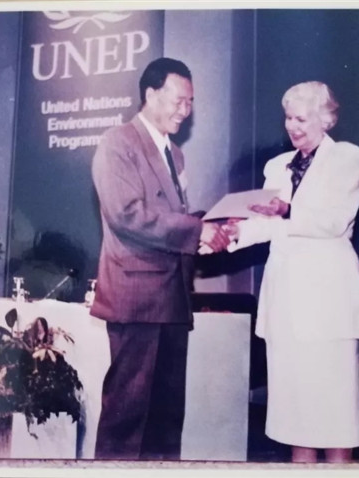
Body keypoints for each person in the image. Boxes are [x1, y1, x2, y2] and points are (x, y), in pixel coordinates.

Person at [90, 57, 230, 460]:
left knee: (166, 420)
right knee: (127, 419)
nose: (185, 111)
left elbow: (171, 217)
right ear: (151, 95)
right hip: (137, 299)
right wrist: (195, 231)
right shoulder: (117, 142)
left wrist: (217, 225)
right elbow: (126, 214)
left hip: (173, 299)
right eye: (178, 100)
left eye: (190, 103)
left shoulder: (175, 155)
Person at [226, 81, 359, 463]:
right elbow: (266, 222)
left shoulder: (346, 158)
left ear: (325, 119)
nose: (292, 126)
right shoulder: (277, 166)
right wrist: (232, 233)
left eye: (301, 119)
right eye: (288, 118)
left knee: (335, 418)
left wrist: (286, 209)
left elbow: (334, 221)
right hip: (286, 305)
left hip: (328, 305)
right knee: (295, 419)